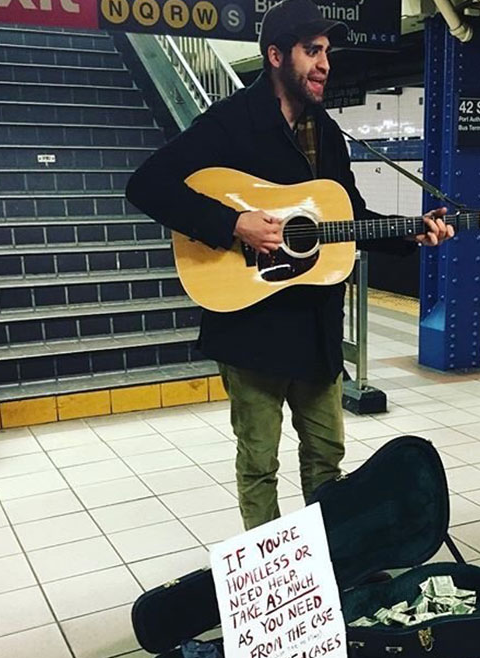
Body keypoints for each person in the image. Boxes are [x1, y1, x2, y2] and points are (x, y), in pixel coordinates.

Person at [124, 0, 453, 530]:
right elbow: (146, 185)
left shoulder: (326, 131)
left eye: (326, 52)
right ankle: (272, 573)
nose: (325, 63)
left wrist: (410, 232)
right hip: (251, 326)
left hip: (316, 328)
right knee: (260, 463)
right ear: (276, 55)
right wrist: (234, 224)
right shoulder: (230, 122)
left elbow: (347, 217)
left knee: (326, 455)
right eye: (311, 51)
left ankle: (326, 557)